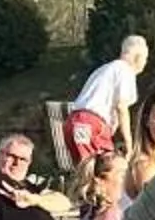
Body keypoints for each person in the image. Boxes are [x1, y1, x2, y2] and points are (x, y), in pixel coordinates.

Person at [64, 34, 150, 164]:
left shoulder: (103, 70)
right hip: (92, 124)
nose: (145, 63)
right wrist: (129, 143)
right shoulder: (125, 70)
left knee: (85, 170)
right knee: (107, 169)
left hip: (73, 123)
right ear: (138, 57)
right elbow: (121, 107)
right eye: (145, 58)